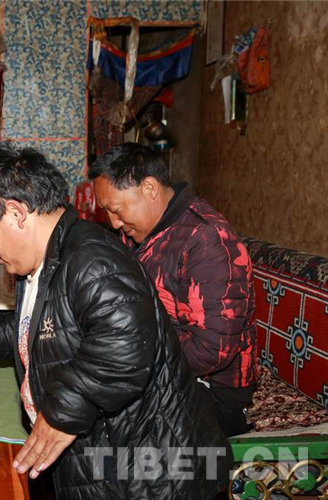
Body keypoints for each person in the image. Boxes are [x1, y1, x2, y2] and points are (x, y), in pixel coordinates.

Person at [0, 139, 232, 499]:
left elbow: (125, 347)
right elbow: (45, 326)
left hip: (149, 474)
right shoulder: (47, 259)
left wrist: (61, 412)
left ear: (16, 213)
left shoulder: (93, 259)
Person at [89, 142, 257, 437]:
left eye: (115, 210)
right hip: (160, 368)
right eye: (107, 213)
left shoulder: (206, 240)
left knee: (103, 421)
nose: (114, 223)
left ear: (149, 188)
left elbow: (211, 350)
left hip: (212, 392)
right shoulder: (144, 233)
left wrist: (130, 356)